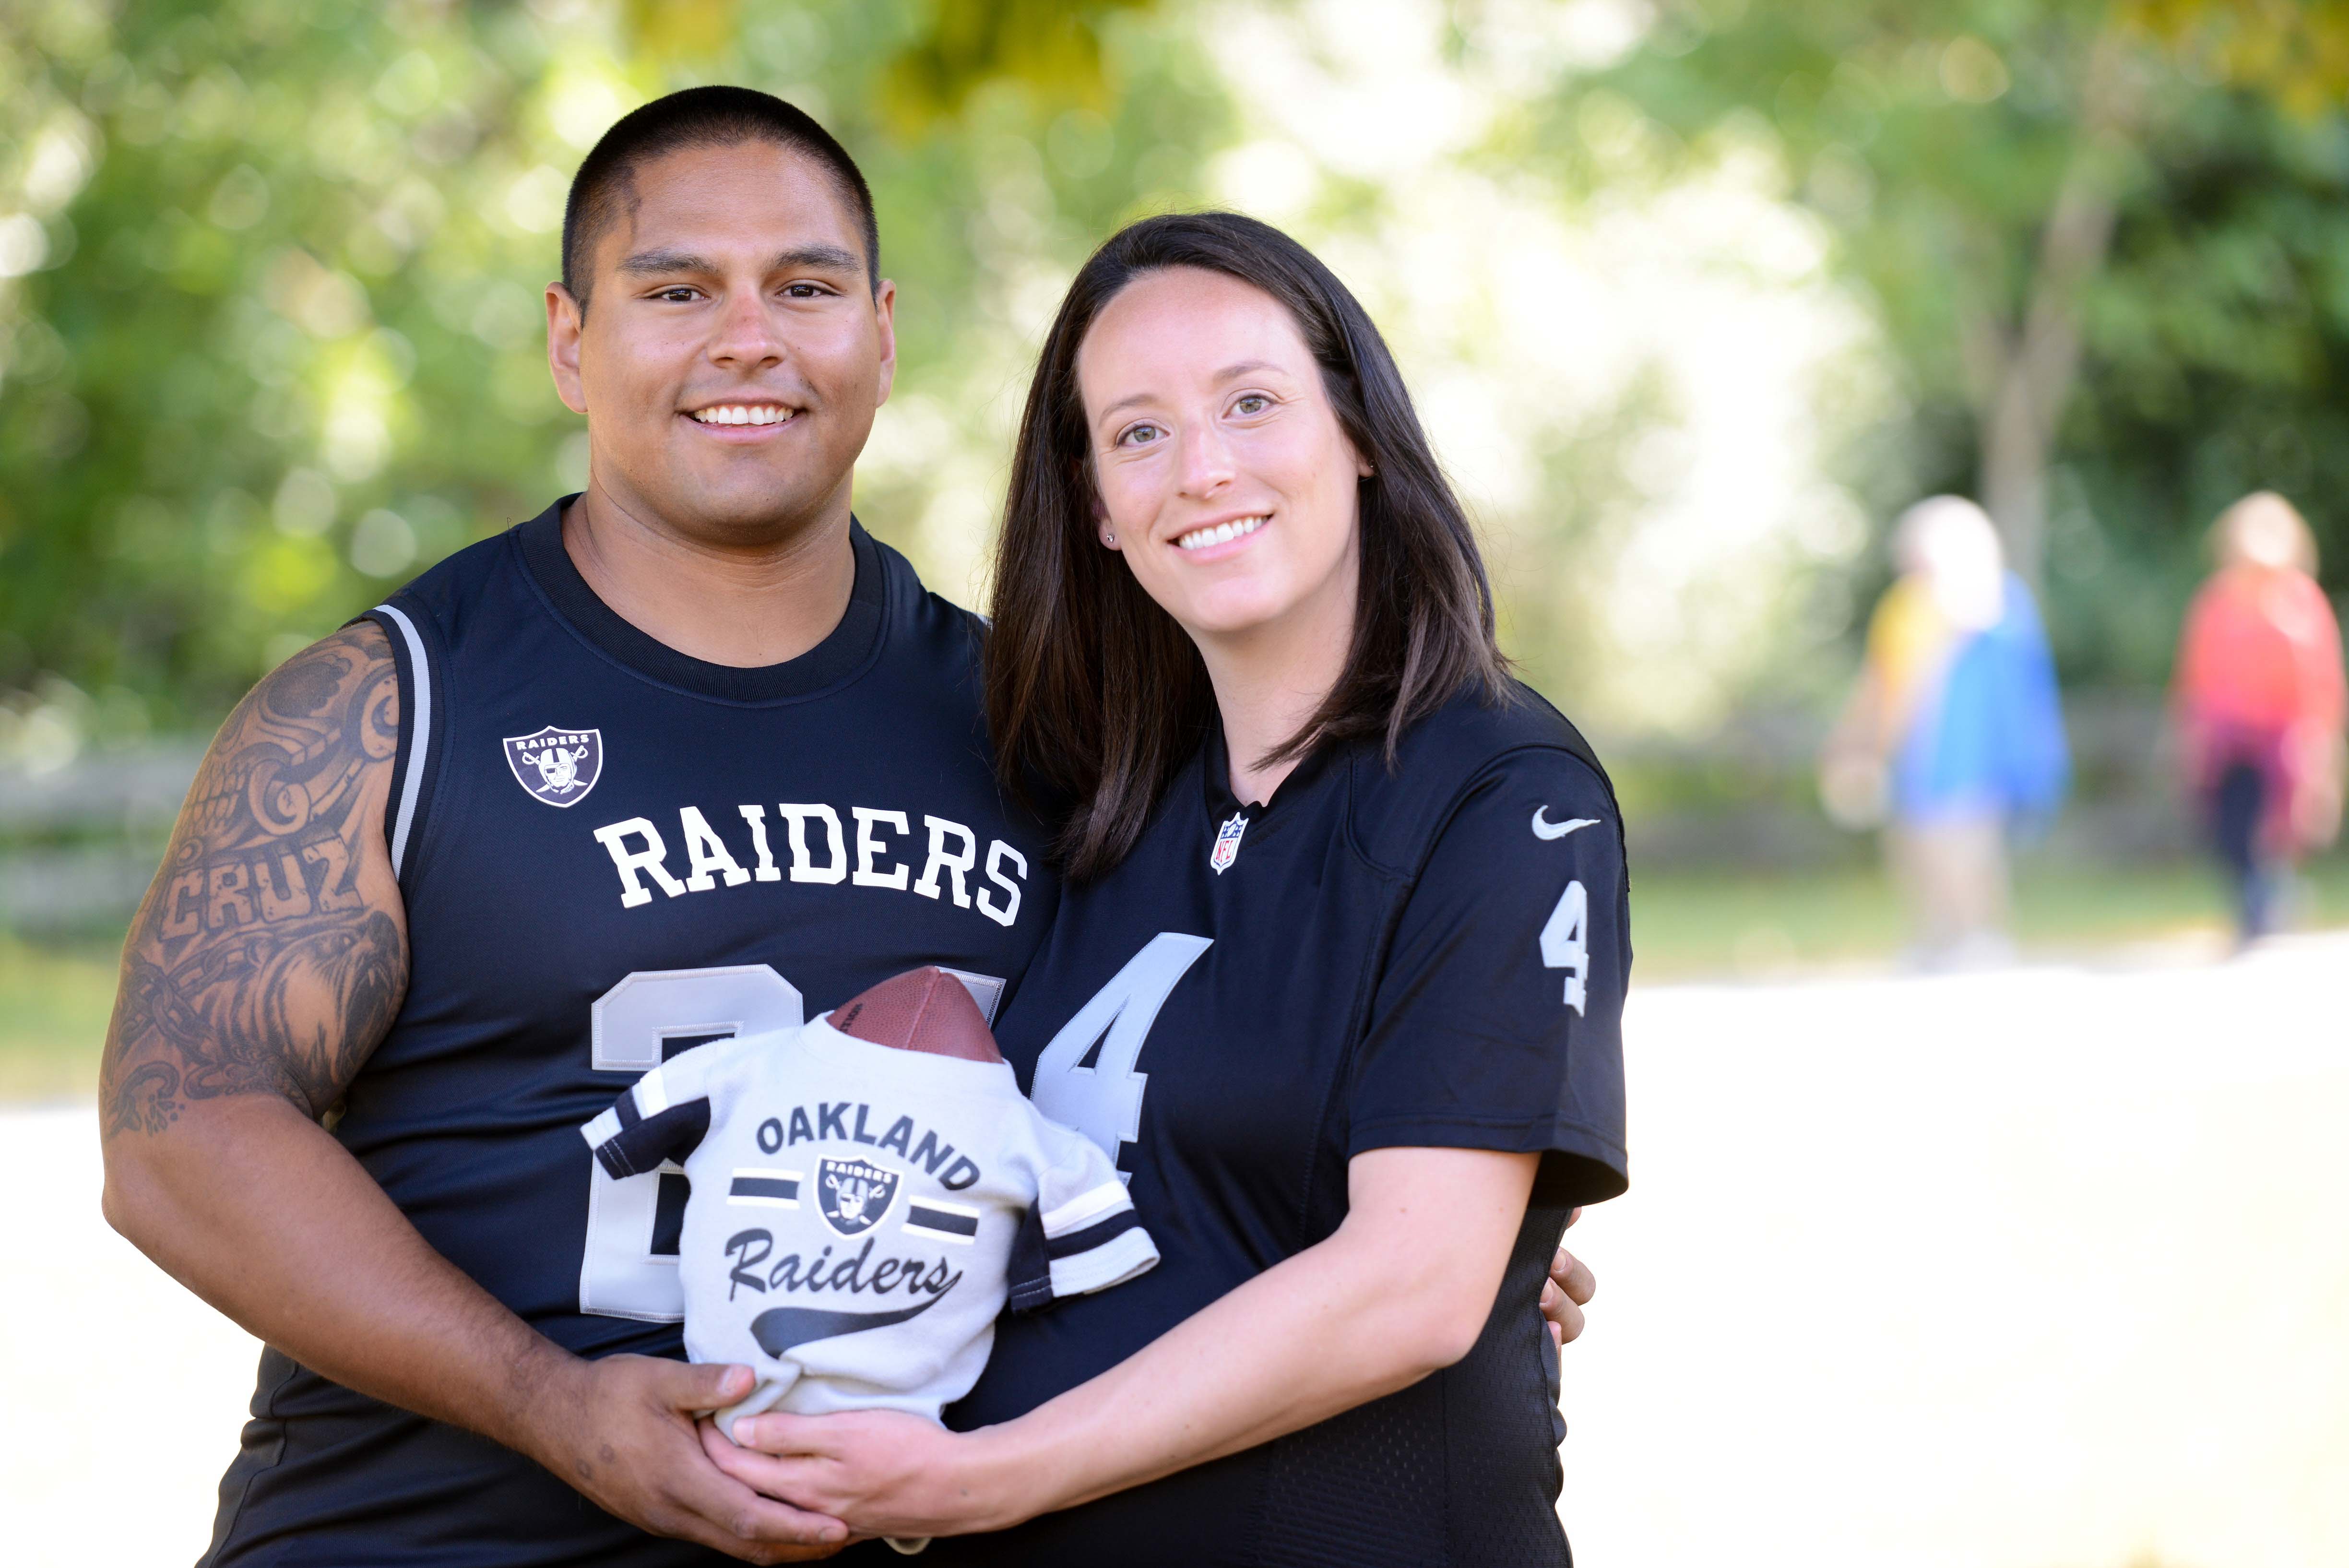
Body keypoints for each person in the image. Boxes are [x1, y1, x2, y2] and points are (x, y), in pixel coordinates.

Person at [95, 89, 1588, 1566]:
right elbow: (177, 1136)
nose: (748, 338)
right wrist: (548, 1402)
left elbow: (1162, 1073)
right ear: (570, 339)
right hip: (427, 1535)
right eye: (675, 289)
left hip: (893, 1531)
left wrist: (1414, 1207)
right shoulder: (381, 707)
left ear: (879, 334)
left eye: (803, 288)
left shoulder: (1041, 725)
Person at [701, 212, 1628, 1565]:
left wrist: (986, 1476)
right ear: (1096, 506)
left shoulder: (1503, 790)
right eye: (1138, 433)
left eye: (1252, 403)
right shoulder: (1099, 795)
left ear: (1358, 431)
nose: (1202, 469)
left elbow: (1416, 1288)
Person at [1819, 495, 2068, 967]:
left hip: (1974, 756)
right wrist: (1852, 740)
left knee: (1967, 847)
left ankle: (1983, 937)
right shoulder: (1903, 607)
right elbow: (1879, 678)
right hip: (1911, 754)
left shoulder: (1993, 603)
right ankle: (1936, 938)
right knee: (1914, 848)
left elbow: (2021, 690)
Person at [2172, 491, 2346, 942]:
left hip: (2284, 743)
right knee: (2230, 830)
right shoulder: (2217, 602)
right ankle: (2252, 907)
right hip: (2229, 742)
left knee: (2278, 830)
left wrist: (2322, 752)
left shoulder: (2300, 602)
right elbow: (2197, 676)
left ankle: (2268, 906)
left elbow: (2321, 681)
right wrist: (2191, 736)